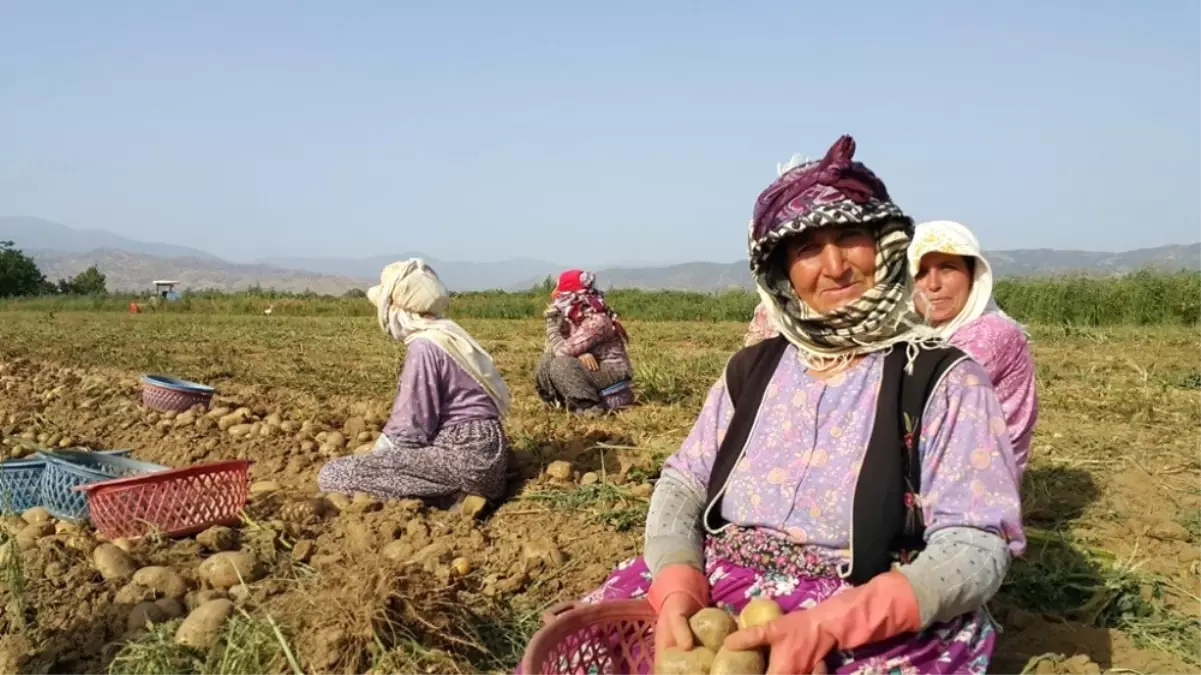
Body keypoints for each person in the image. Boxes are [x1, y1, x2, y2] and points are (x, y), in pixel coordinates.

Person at [523, 137, 1024, 675]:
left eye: (851, 236)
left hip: (867, 607)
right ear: (782, 270)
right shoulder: (753, 369)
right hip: (719, 584)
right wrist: (676, 585)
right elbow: (685, 481)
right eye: (807, 249)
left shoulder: (940, 379)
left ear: (883, 244)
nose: (834, 266)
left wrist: (829, 624)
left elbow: (975, 544)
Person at [317, 259, 512, 506]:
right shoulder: (448, 335)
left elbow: (410, 428)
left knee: (334, 474)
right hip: (489, 452)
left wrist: (377, 456)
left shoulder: (424, 346)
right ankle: (456, 495)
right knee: (390, 466)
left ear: (395, 309)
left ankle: (453, 497)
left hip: (461, 455)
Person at [908, 220, 1038, 474]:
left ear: (972, 277)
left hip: (974, 486)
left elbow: (920, 402)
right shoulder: (926, 334)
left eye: (947, 268)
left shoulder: (991, 335)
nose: (933, 284)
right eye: (920, 272)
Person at [534, 269, 634, 414]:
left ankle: (589, 407)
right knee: (546, 360)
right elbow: (553, 349)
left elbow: (564, 351)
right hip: (588, 366)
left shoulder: (597, 320)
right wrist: (578, 354)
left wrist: (551, 324)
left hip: (611, 370)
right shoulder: (570, 316)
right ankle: (555, 402)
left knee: (561, 364)